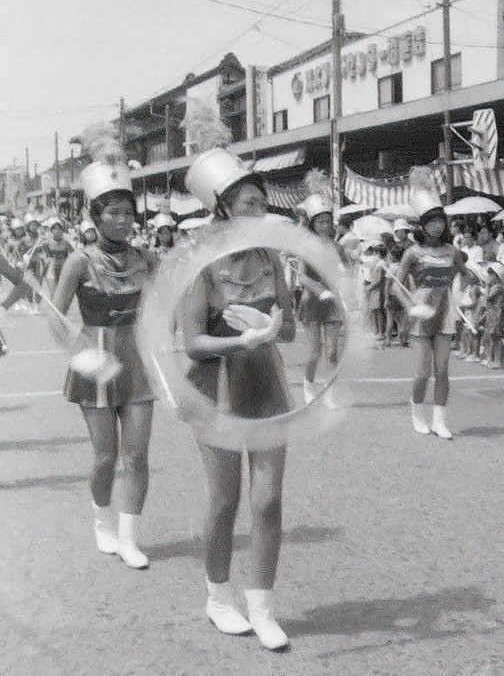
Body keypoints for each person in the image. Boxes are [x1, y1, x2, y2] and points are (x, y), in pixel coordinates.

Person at [181, 143, 297, 650]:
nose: (259, 211)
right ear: (224, 206)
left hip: (267, 386)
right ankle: (218, 598)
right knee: (225, 499)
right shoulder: (201, 261)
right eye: (249, 202)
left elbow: (289, 330)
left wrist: (270, 326)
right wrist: (239, 339)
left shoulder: (273, 258)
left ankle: (263, 605)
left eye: (262, 202)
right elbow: (192, 342)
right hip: (217, 391)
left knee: (268, 500)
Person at [51, 126, 157, 569]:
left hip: (135, 359)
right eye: (112, 212)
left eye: (127, 211)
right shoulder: (79, 260)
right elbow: (55, 320)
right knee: (106, 456)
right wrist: (83, 354)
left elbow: (165, 305)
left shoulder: (145, 258)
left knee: (137, 454)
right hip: (94, 359)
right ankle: (102, 522)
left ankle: (130, 536)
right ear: (96, 217)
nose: (121, 219)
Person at [396, 167, 476, 440]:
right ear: (422, 225)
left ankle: (440, 419)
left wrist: (469, 287)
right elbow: (394, 286)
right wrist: (410, 307)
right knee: (423, 371)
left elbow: (465, 275)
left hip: (444, 310)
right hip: (421, 310)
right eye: (431, 222)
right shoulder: (412, 252)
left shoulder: (452, 251)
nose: (437, 226)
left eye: (440, 220)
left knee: (442, 370)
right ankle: (418, 414)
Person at [295, 171, 342, 409]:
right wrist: (318, 288)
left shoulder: (336, 247)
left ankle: (329, 390)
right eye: (321, 222)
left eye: (328, 221)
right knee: (315, 352)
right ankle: (308, 384)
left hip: (332, 302)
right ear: (313, 224)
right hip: (311, 301)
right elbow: (301, 276)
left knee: (332, 351)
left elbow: (344, 273)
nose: (326, 225)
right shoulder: (305, 247)